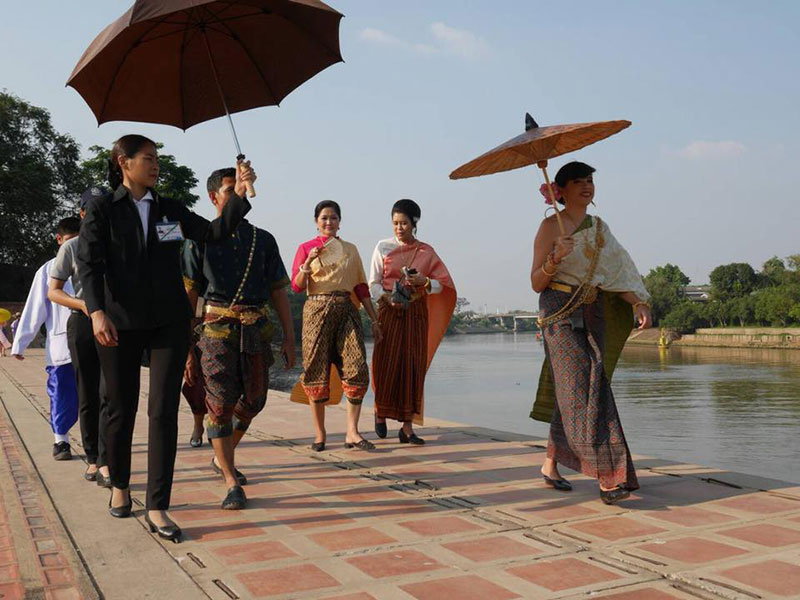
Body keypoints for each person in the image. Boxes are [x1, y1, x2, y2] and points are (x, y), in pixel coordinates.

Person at [77, 134, 254, 541]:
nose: (155, 165)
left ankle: (158, 506)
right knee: (119, 409)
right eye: (148, 158)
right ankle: (120, 487)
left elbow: (213, 233)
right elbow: (89, 263)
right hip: (118, 321)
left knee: (163, 412)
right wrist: (97, 311)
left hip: (169, 322)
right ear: (124, 162)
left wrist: (239, 197)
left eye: (157, 159)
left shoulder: (169, 208)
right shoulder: (103, 208)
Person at [530, 161, 652, 505]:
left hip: (593, 308)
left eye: (589, 181)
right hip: (559, 312)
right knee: (583, 386)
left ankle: (550, 463)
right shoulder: (549, 229)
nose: (586, 186)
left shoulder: (599, 229)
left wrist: (637, 302)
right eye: (578, 182)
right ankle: (609, 476)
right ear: (561, 190)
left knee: (583, 384)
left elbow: (616, 271)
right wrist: (554, 258)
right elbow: (536, 281)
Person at [182, 167, 295, 510]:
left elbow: (279, 293)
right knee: (219, 402)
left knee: (255, 400)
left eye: (242, 187)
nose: (239, 193)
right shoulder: (198, 239)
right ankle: (231, 480)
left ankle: (222, 455)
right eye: (232, 189)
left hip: (255, 328)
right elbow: (188, 298)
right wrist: (187, 349)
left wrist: (290, 337)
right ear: (214, 198)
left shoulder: (265, 240)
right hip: (216, 329)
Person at [290, 200, 382, 451]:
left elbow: (361, 288)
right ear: (316, 221)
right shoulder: (306, 248)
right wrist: (307, 265)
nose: (328, 222)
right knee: (315, 371)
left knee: (357, 368)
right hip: (316, 310)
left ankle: (352, 432)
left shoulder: (350, 250)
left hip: (346, 311)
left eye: (333, 218)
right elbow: (296, 286)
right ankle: (320, 434)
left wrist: (375, 320)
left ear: (340, 221)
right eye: (324, 218)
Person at [368, 199, 456, 444]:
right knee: (384, 363)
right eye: (395, 223)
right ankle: (380, 412)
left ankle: (407, 427)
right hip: (388, 310)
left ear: (414, 223)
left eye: (404, 223)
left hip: (416, 312)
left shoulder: (427, 252)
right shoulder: (383, 247)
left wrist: (425, 283)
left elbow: (444, 285)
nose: (399, 228)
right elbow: (372, 283)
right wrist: (386, 298)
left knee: (412, 367)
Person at [48, 186, 111, 486]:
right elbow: (53, 291)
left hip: (116, 323)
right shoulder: (71, 248)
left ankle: (109, 458)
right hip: (84, 323)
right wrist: (84, 305)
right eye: (95, 208)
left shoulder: (118, 243)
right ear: (83, 213)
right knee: (88, 392)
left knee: (112, 393)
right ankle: (93, 458)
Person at [12, 218, 81, 461]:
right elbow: (35, 308)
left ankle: (99, 445)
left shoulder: (95, 264)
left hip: (93, 342)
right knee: (62, 395)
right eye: (69, 242)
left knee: (96, 397)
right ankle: (61, 440)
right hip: (61, 346)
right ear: (59, 240)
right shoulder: (48, 270)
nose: (73, 247)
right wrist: (20, 342)